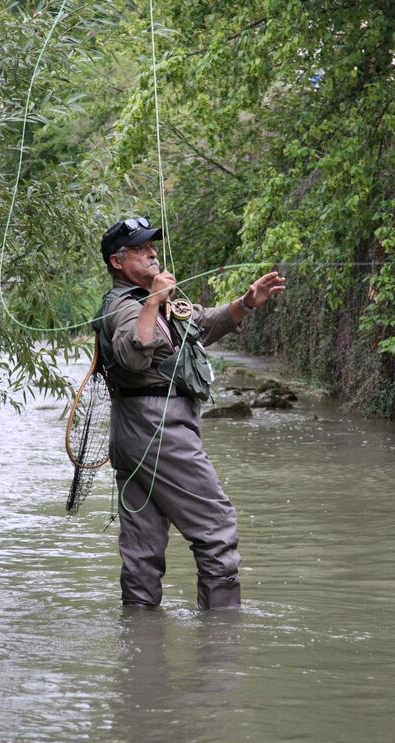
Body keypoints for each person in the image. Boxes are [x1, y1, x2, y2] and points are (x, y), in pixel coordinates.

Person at [94, 216, 285, 609]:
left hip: (137, 433)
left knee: (142, 547)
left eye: (152, 246)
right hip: (157, 427)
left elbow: (202, 325)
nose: (152, 253)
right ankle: (222, 640)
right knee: (217, 529)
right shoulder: (127, 307)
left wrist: (246, 303)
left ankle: (140, 647)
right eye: (140, 248)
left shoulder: (158, 301)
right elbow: (131, 356)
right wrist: (152, 301)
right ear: (117, 262)